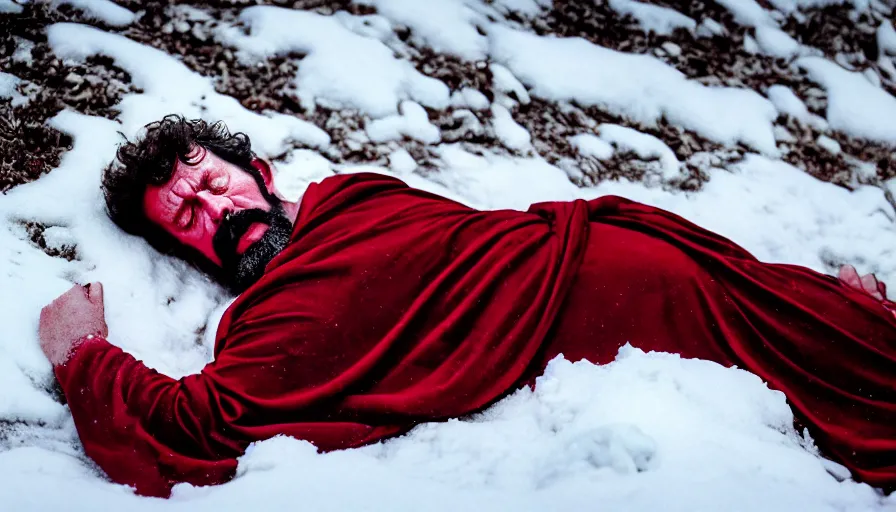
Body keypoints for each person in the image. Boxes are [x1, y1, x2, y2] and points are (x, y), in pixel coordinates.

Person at [39, 115, 896, 497]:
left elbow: (457, 249)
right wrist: (84, 354)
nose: (214, 209)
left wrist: (806, 291)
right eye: (188, 217)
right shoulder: (269, 321)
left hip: (634, 258)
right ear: (184, 250)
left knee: (832, 331)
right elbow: (197, 424)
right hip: (632, 329)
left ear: (259, 175)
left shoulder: (356, 198)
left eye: (214, 184)